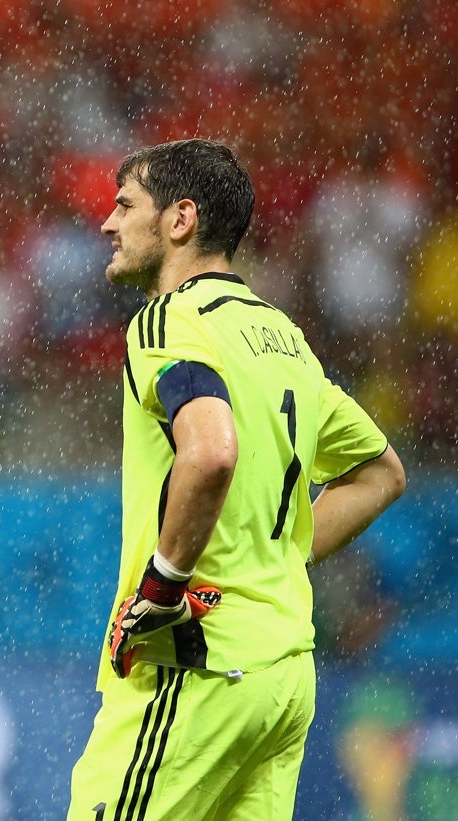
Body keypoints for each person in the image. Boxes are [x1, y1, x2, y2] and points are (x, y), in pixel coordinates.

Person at [65, 139, 406, 820]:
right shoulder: (284, 340)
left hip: (197, 662)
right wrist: (272, 556)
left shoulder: (168, 321)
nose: (108, 223)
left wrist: (163, 586)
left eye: (125, 204)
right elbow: (380, 473)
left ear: (180, 219)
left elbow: (211, 450)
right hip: (282, 673)